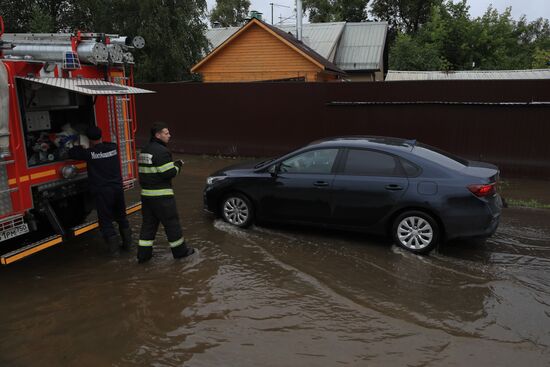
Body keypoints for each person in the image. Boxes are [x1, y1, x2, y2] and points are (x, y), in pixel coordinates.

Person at [137, 121, 195, 263]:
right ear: (158, 135)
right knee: (172, 225)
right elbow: (168, 173)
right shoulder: (162, 151)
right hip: (162, 197)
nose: (169, 135)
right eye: (166, 133)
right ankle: (180, 253)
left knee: (148, 226)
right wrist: (178, 165)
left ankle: (143, 256)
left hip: (146, 196)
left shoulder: (144, 150)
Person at [69, 125, 132, 253]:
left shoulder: (90, 153)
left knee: (106, 221)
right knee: (122, 217)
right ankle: (128, 246)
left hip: (104, 192)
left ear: (89, 140)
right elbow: (106, 145)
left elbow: (72, 153)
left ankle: (115, 253)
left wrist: (78, 145)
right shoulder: (113, 147)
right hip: (117, 189)